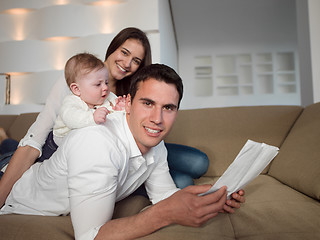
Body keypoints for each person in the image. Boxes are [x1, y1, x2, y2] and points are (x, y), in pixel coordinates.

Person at [0, 64, 245, 240]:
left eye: (168, 108)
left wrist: (211, 200)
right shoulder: (96, 143)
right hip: (18, 195)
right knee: (8, 147)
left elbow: (164, 195)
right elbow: (89, 236)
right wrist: (163, 215)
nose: (157, 119)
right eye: (147, 103)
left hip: (50, 173)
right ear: (127, 104)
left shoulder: (155, 144)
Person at [0, 27, 207, 206]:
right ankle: (5, 142)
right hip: (54, 154)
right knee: (183, 181)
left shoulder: (130, 94)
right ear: (112, 48)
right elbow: (35, 139)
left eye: (136, 60)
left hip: (127, 155)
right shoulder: (77, 80)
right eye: (124, 52)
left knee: (198, 163)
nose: (127, 63)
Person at [39, 53, 125, 162]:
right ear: (77, 89)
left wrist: (120, 107)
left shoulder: (107, 97)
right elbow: (72, 119)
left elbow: (114, 114)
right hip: (55, 146)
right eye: (98, 84)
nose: (105, 88)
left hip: (81, 145)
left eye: (106, 82)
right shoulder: (71, 101)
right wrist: (92, 117)